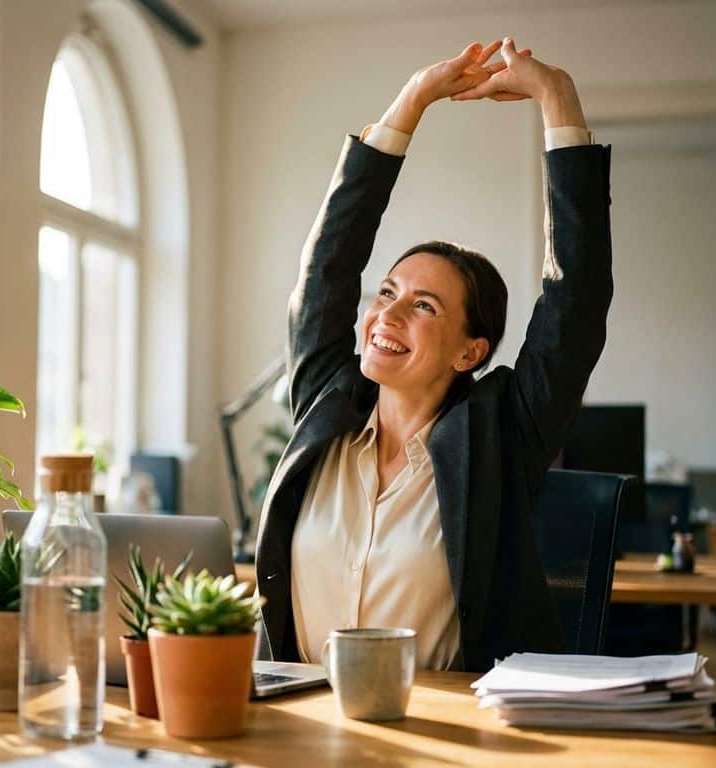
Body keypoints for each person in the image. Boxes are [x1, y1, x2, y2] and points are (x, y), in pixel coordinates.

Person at [254, 38, 613, 672]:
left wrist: (556, 96)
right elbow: (327, 267)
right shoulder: (325, 403)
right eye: (387, 292)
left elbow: (575, 302)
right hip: (301, 720)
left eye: (424, 306)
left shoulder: (502, 433)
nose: (386, 314)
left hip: (446, 731)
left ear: (470, 350)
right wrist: (412, 100)